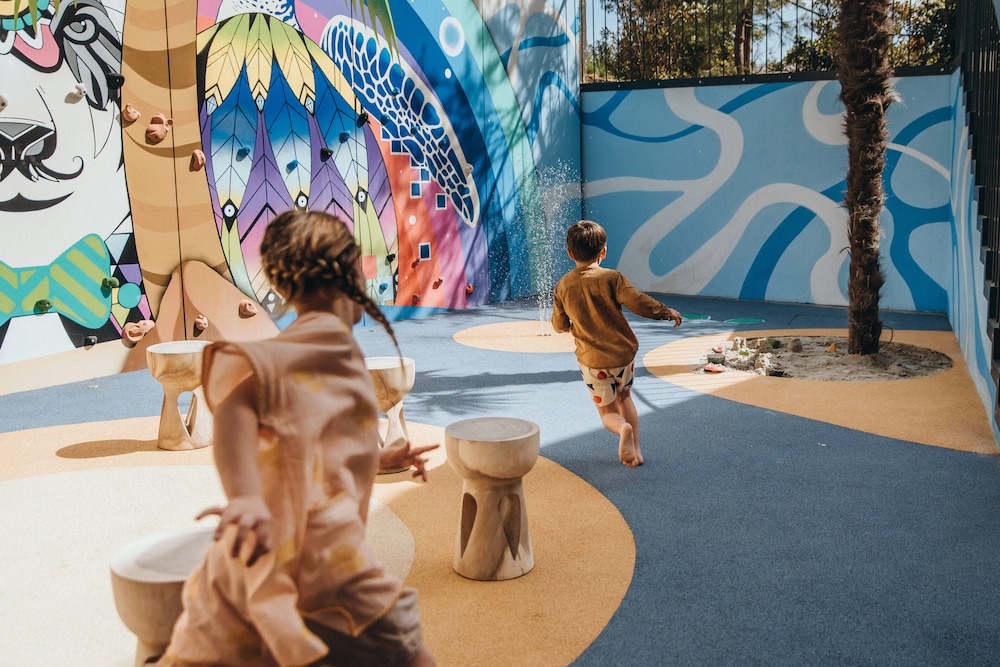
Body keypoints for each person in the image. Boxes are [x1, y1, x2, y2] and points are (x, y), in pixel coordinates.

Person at [157, 210, 437, 666]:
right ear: (348, 275)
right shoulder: (307, 347)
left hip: (304, 545)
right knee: (410, 656)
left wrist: (377, 459)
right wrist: (246, 497)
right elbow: (237, 406)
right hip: (320, 552)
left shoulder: (333, 348)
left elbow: (315, 438)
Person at [551, 220, 682, 468]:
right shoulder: (613, 278)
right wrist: (665, 312)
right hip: (622, 356)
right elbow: (638, 302)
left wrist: (573, 324)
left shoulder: (563, 286)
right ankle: (637, 451)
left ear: (569, 253)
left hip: (593, 362)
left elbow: (559, 324)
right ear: (603, 251)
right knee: (625, 397)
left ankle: (622, 429)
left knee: (608, 412)